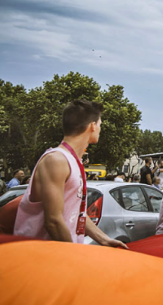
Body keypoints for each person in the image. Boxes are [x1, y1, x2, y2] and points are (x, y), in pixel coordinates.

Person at [14, 100, 126, 248]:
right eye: (100, 124)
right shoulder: (56, 160)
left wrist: (104, 239)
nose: (100, 129)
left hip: (58, 252)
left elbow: (77, 212)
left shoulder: (72, 161)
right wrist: (73, 253)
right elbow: (53, 221)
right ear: (92, 126)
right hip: (39, 253)